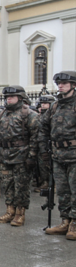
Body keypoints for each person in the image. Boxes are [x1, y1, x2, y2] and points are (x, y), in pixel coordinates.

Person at [0, 86, 39, 226]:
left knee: (21, 187)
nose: (8, 99)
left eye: (12, 97)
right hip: (5, 156)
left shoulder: (29, 114)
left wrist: (31, 156)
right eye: (7, 97)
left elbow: (36, 138)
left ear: (20, 97)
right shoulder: (2, 114)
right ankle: (9, 211)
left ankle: (20, 213)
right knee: (7, 184)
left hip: (21, 157)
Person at [39, 71, 76, 239]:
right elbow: (43, 127)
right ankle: (65, 220)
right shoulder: (55, 106)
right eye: (59, 83)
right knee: (62, 191)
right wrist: (44, 149)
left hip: (74, 156)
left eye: (64, 83)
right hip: (58, 156)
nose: (60, 86)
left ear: (73, 85)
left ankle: (75, 223)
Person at [35, 95, 55, 192]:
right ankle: (45, 182)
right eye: (42, 103)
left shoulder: (53, 115)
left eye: (46, 103)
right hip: (40, 144)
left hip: (51, 144)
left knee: (53, 166)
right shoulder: (37, 116)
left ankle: (54, 184)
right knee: (42, 165)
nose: (43, 105)